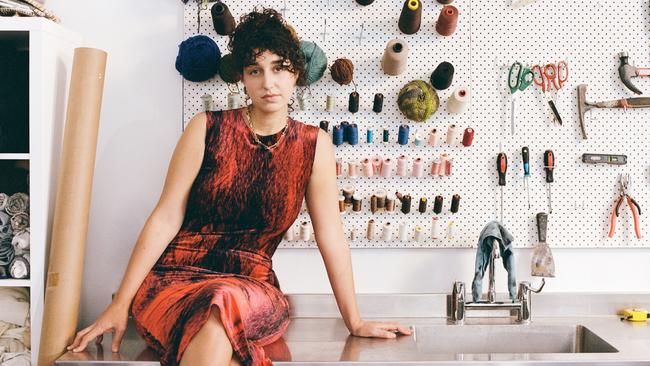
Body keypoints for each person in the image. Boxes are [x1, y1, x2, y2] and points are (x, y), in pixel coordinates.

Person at [66, 7, 411, 366]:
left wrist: (353, 320)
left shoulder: (313, 145)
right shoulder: (206, 128)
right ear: (243, 79)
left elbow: (332, 237)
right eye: (255, 71)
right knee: (216, 314)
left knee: (221, 300)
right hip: (174, 282)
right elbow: (165, 217)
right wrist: (120, 303)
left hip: (252, 288)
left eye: (279, 68)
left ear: (296, 73)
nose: (268, 83)